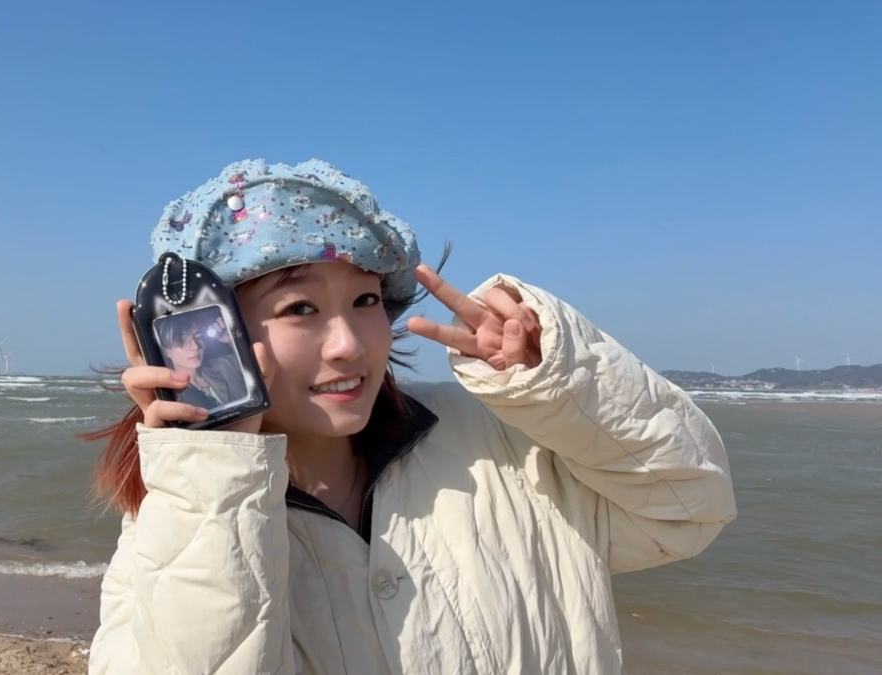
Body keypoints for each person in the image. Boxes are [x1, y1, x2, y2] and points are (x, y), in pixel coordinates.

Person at [86, 159, 736, 674]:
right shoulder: (175, 526)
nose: (348, 344)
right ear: (205, 337)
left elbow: (689, 507)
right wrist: (210, 472)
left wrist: (558, 383)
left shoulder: (499, 440)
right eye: (299, 309)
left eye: (366, 300)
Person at [154, 311, 247, 409]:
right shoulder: (169, 395)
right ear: (165, 351)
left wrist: (231, 339)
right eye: (182, 340)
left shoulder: (225, 365)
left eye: (198, 337)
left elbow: (249, 363)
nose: (195, 346)